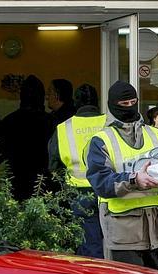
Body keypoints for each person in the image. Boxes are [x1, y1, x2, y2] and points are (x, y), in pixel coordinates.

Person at [85, 80, 158, 272]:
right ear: (112, 106)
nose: (130, 107)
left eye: (133, 102)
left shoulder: (157, 135)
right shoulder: (102, 140)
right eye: (124, 104)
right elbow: (101, 182)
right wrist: (134, 179)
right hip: (124, 235)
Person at [48, 84, 106, 258]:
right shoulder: (109, 123)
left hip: (79, 194)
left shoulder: (64, 128)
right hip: (110, 190)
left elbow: (53, 166)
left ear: (76, 102)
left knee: (89, 245)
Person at [0, 75, 55, 201]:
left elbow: (0, 155)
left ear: (22, 96)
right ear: (40, 96)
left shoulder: (8, 122)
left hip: (16, 183)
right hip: (43, 183)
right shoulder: (50, 122)